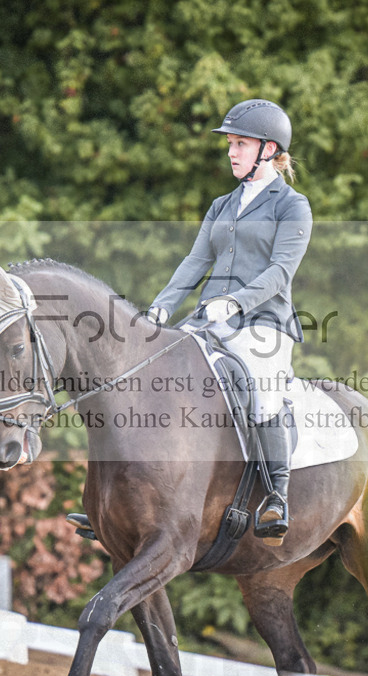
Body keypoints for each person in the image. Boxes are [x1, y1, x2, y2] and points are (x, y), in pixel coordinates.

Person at [69, 99, 313, 545]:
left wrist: (236, 303)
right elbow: (195, 260)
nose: (231, 152)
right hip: (209, 318)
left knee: (262, 388)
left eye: (240, 144)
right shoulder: (222, 205)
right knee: (153, 374)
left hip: (264, 323)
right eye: (230, 145)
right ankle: (115, 498)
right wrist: (163, 305)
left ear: (268, 148)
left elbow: (281, 272)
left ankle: (276, 495)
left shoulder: (292, 206)